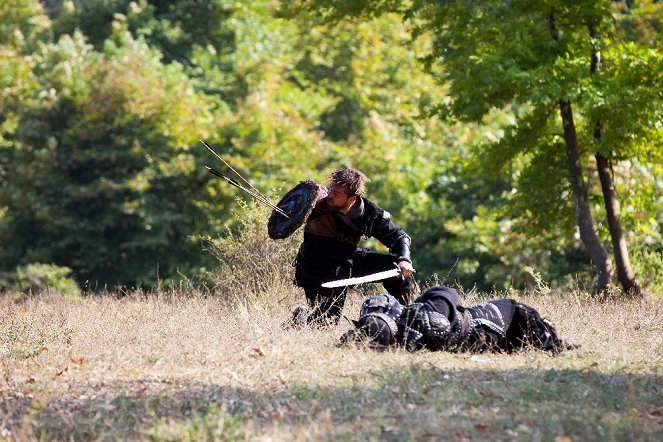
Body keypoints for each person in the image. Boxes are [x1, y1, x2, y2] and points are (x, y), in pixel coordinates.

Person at [291, 168, 417, 327]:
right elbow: (288, 216)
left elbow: (399, 237)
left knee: (395, 270)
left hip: (347, 261)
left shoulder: (369, 214)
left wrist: (405, 260)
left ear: (352, 198)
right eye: (330, 190)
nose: (330, 195)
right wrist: (293, 213)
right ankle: (299, 321)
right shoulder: (316, 204)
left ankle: (407, 316)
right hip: (316, 269)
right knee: (325, 323)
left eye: (336, 193)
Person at [340, 285, 567, 354]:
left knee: (520, 317)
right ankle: (553, 346)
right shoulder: (419, 325)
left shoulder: (408, 325)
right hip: (483, 326)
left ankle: (553, 345)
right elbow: (446, 294)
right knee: (518, 310)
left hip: (481, 324)